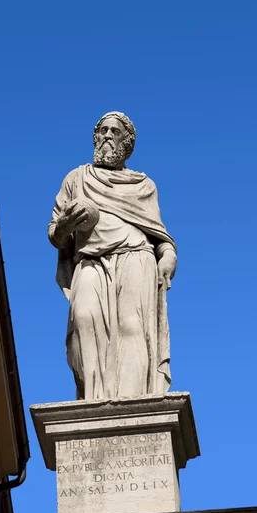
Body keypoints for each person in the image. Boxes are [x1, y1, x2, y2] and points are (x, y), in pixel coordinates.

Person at [48, 111, 177, 400]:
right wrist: (69, 223)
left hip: (136, 257)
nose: (107, 135)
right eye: (102, 130)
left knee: (132, 328)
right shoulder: (77, 178)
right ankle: (94, 399)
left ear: (127, 143)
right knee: (83, 320)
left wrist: (169, 256)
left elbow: (160, 236)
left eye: (114, 132)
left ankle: (132, 402)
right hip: (90, 260)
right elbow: (56, 235)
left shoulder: (144, 185)